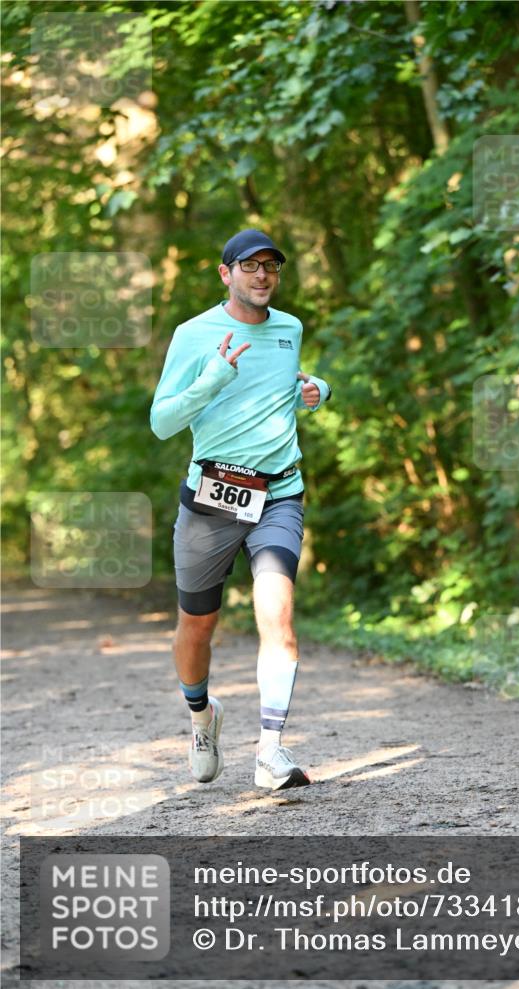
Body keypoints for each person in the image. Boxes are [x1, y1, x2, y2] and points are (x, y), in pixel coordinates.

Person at [150, 229, 331, 791]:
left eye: (270, 266)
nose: (262, 275)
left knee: (278, 616)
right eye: (249, 266)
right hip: (211, 498)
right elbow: (162, 422)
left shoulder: (289, 329)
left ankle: (270, 752)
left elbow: (283, 392)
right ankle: (202, 719)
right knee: (196, 627)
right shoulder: (193, 334)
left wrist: (318, 390)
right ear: (225, 274)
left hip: (279, 493)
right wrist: (211, 380)